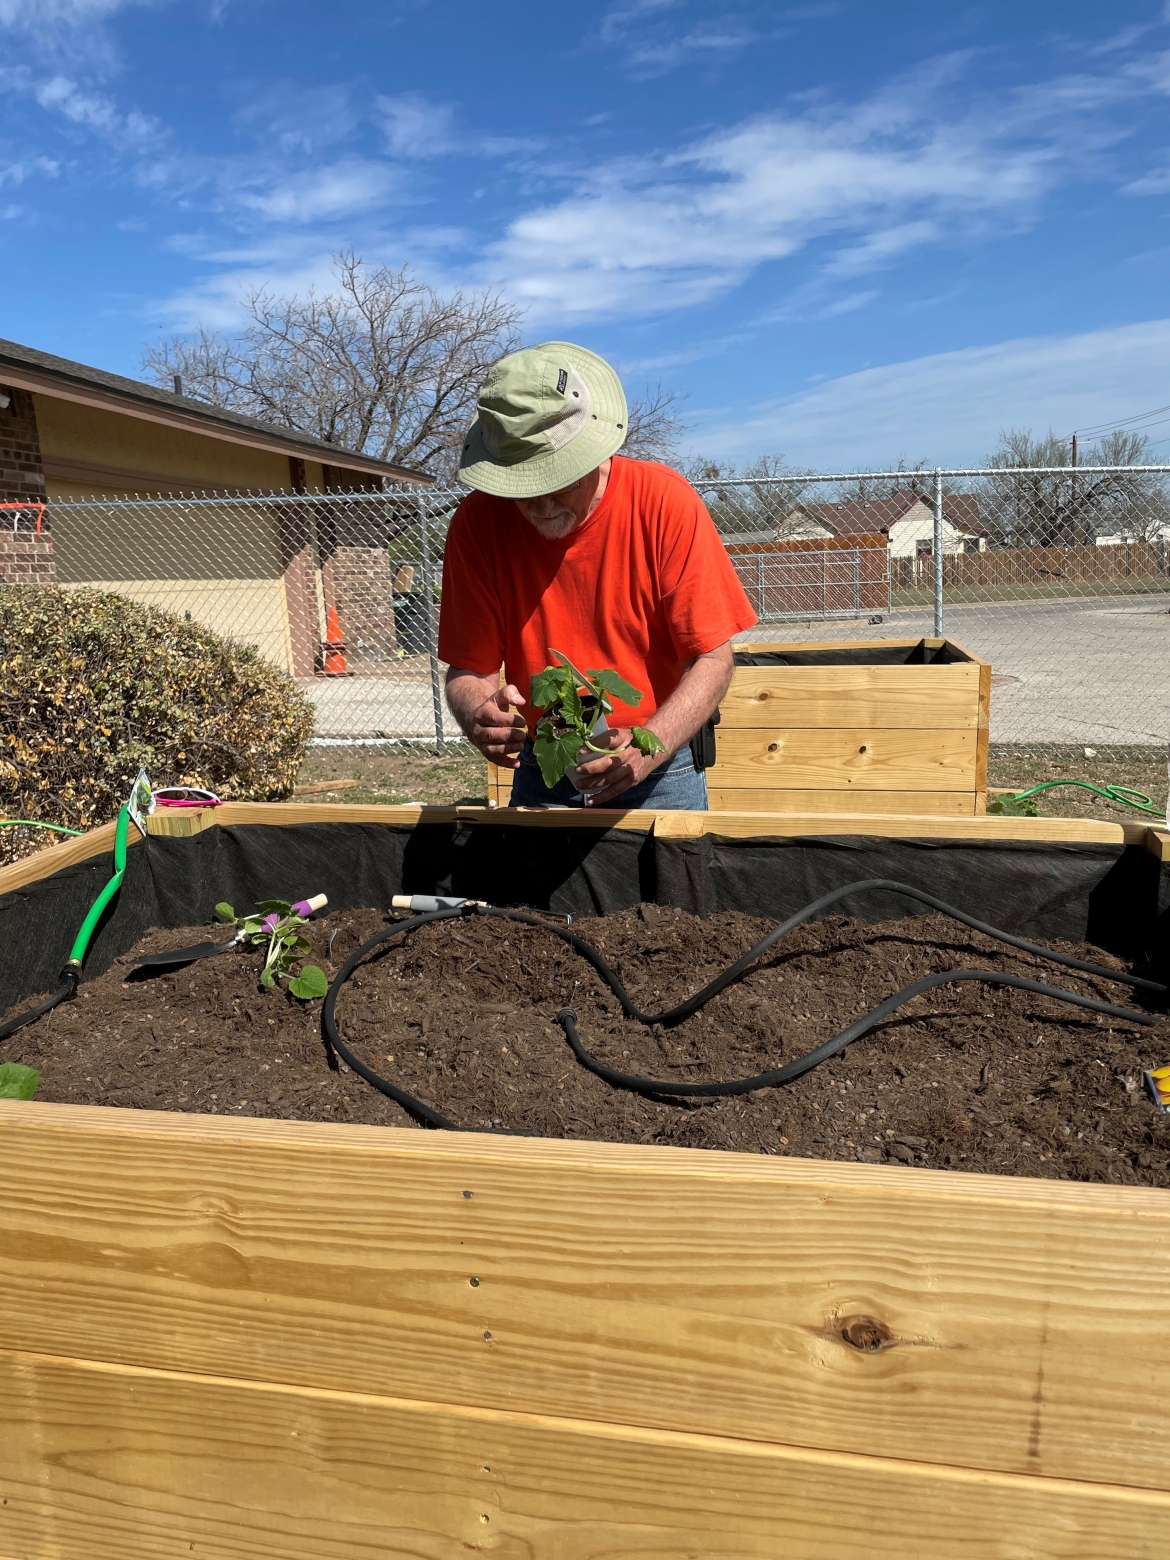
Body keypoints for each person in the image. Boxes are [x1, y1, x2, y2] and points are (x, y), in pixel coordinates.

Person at [438, 341, 757, 809]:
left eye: (558, 483)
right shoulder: (477, 524)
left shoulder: (664, 503)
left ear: (591, 452)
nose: (542, 506)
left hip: (660, 767)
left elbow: (712, 660)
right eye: (523, 489)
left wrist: (647, 748)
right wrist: (478, 714)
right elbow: (470, 670)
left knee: (670, 883)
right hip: (544, 761)